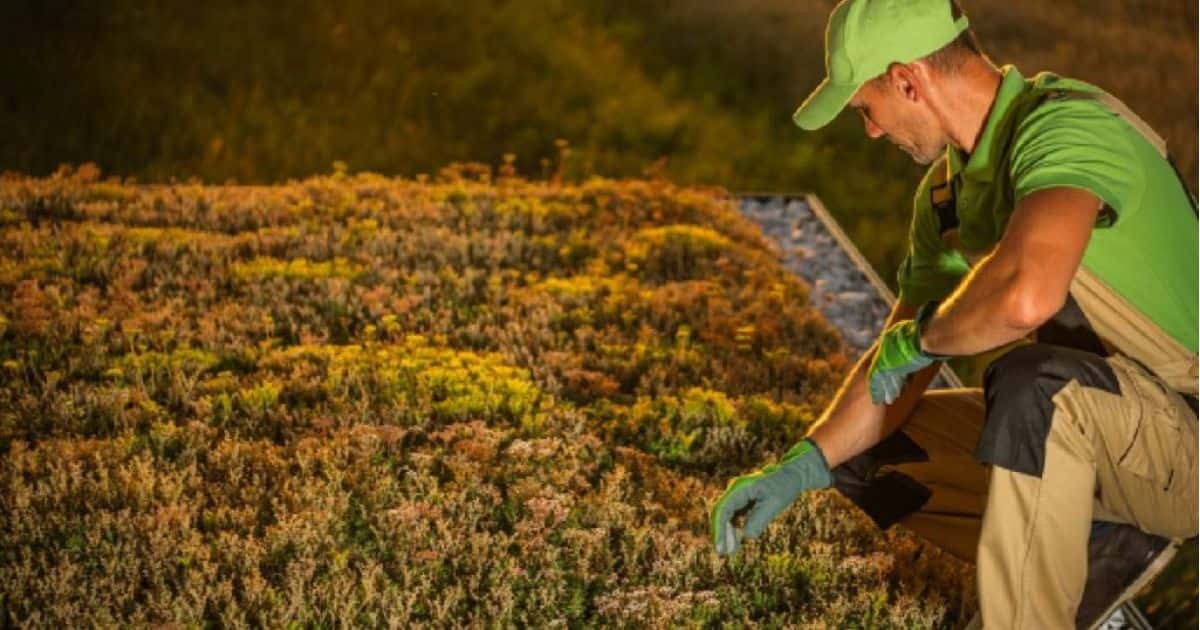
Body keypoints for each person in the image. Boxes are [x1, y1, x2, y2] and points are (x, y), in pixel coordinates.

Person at [708, 0, 1199, 628]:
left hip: (1186, 437)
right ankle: (1089, 569)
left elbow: (1027, 297)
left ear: (908, 80)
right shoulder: (946, 199)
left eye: (866, 109)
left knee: (1036, 390)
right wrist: (803, 464)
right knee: (871, 449)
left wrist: (927, 340)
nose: (872, 131)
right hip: (1115, 433)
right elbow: (895, 366)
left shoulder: (1069, 131)